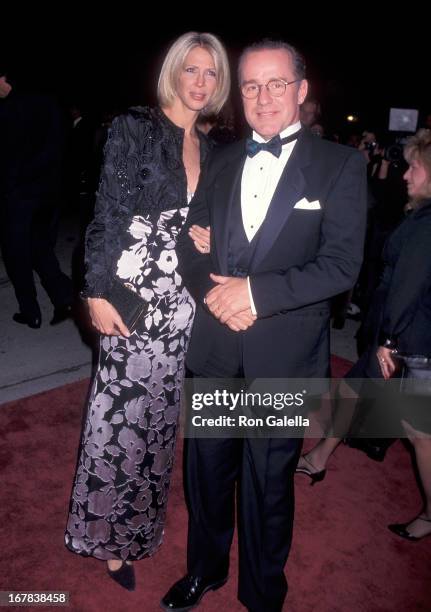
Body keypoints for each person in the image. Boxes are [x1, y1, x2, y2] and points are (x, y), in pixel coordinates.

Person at [162, 39, 367, 612]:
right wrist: (214, 291)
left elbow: (341, 264)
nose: (263, 96)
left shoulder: (340, 165)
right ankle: (205, 570)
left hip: (283, 356)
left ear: (302, 91)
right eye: (251, 85)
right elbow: (190, 242)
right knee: (205, 472)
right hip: (216, 349)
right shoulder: (221, 158)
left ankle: (262, 593)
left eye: (277, 83)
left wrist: (254, 294)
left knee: (267, 484)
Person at [64, 32, 230, 591]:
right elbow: (107, 211)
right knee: (119, 422)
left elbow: (193, 223)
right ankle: (108, 540)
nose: (201, 82)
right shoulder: (135, 127)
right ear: (174, 72)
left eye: (211, 73)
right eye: (192, 70)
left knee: (159, 422)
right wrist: (93, 291)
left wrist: (203, 236)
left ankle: (141, 528)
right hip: (130, 296)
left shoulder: (208, 148)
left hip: (179, 302)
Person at [297, 129, 431, 541]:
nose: (406, 175)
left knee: (421, 436)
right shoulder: (423, 217)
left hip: (411, 345)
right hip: (403, 339)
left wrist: (390, 344)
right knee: (355, 392)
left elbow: (406, 292)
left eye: (414, 167)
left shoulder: (426, 227)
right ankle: (320, 456)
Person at [0, 69, 73, 328]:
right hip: (49, 194)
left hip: (19, 197)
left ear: (3, 78)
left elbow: (8, 158)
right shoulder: (48, 103)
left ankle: (30, 311)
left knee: (16, 255)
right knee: (41, 247)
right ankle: (64, 298)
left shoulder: (9, 110)